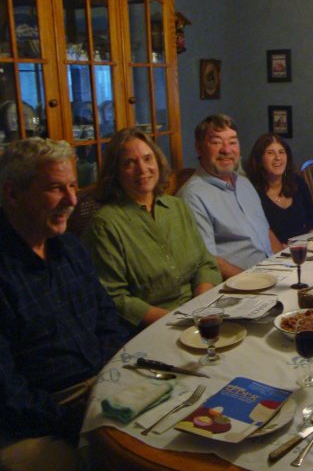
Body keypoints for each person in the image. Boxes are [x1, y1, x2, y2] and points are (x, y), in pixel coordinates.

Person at [0, 138, 128, 471]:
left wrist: (113, 382)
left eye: (73, 186)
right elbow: (9, 395)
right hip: (39, 419)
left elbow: (108, 320)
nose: (72, 200)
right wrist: (77, 417)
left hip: (102, 384)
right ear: (12, 194)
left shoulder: (70, 247)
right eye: (56, 188)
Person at [83, 128, 221, 329]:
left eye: (147, 159)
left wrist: (200, 310)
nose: (142, 169)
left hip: (199, 314)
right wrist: (179, 321)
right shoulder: (105, 225)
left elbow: (205, 264)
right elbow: (116, 298)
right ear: (115, 172)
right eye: (129, 163)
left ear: (158, 161)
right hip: (151, 327)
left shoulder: (177, 207)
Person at [178, 114, 279, 278]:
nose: (226, 150)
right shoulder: (192, 196)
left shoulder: (244, 183)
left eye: (232, 142)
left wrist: (287, 262)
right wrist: (253, 280)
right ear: (199, 147)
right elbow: (208, 260)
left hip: (273, 272)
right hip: (242, 283)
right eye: (216, 142)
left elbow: (265, 231)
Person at [245, 133, 313, 244]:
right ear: (259, 160)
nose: (278, 158)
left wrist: (312, 239)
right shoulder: (251, 191)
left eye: (281, 152)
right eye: (270, 153)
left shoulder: (297, 182)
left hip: (304, 248)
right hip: (274, 252)